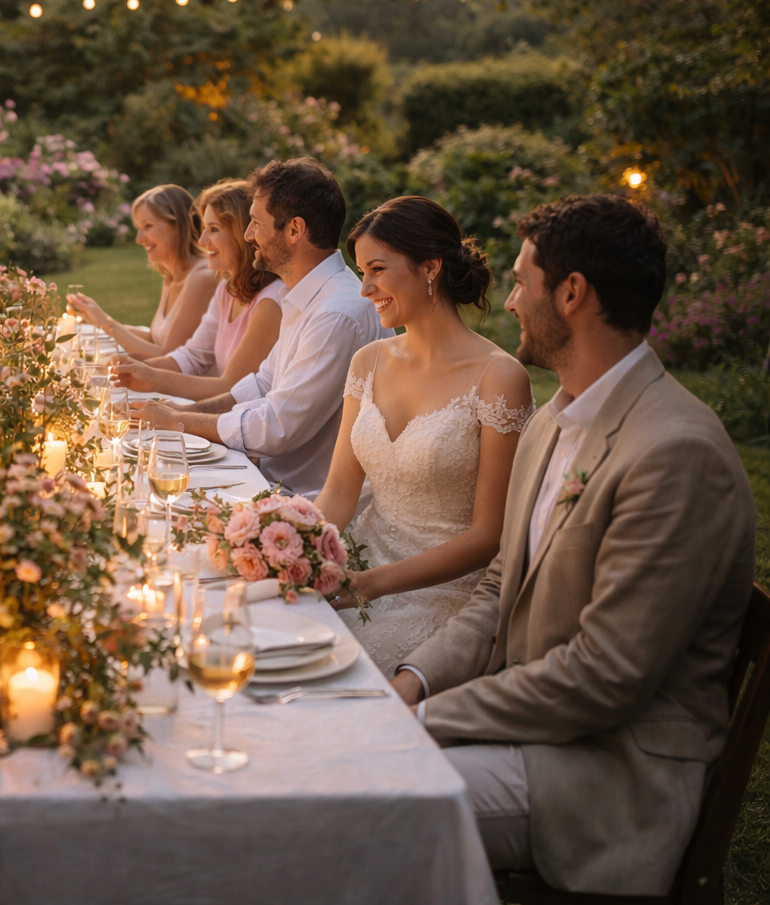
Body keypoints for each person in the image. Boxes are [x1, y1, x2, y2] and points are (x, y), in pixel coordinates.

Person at [391, 195, 755, 896]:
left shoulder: (674, 453)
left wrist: (422, 721)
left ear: (573, 293)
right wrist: (411, 683)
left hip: (605, 771)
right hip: (531, 727)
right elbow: (500, 589)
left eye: (524, 284)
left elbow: (605, 676)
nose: (510, 304)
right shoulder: (557, 416)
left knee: (371, 799)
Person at [307, 197, 534, 673]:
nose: (365, 287)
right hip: (358, 560)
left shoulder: (499, 377)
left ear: (430, 267)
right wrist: (294, 547)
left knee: (339, 671)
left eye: (377, 269)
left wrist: (366, 586)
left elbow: (489, 535)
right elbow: (339, 492)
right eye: (361, 271)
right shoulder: (368, 362)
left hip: (443, 593)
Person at [132, 158, 393, 500]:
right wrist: (175, 413)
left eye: (256, 222)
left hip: (306, 499)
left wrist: (178, 422)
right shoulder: (303, 293)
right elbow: (260, 385)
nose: (247, 234)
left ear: (295, 230)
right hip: (267, 478)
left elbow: (276, 428)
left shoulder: (336, 313)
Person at [111, 179, 286, 400]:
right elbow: (192, 356)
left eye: (213, 229)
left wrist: (152, 378)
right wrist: (133, 368)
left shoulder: (270, 302)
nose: (202, 240)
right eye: (203, 229)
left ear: (241, 233)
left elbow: (232, 388)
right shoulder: (227, 289)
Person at [68, 184, 218, 358]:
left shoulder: (202, 277)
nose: (139, 239)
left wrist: (107, 324)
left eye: (148, 226)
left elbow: (169, 358)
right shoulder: (171, 276)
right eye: (139, 227)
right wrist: (99, 320)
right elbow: (156, 339)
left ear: (177, 225)